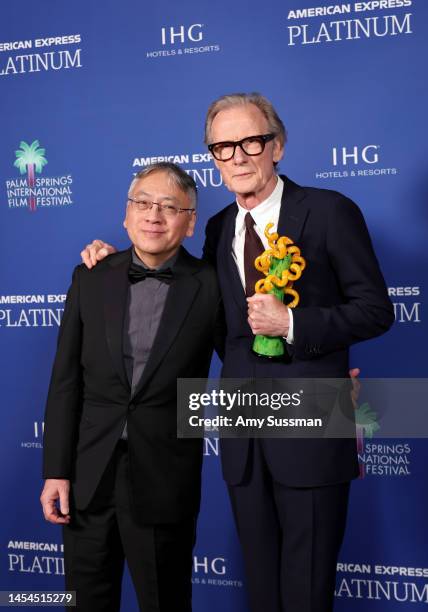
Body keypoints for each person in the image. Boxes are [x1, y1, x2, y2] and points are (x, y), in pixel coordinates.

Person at [81, 93, 394, 612]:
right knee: (261, 587)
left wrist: (293, 323)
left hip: (313, 423)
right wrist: (119, 264)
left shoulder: (330, 211)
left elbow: (375, 310)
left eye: (251, 141)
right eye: (223, 147)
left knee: (306, 587)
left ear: (278, 146)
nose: (238, 156)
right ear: (213, 156)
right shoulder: (218, 226)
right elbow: (197, 309)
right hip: (243, 432)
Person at [40, 162, 222, 612]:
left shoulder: (212, 286)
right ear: (126, 215)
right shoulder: (90, 277)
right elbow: (65, 381)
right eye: (142, 203)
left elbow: (251, 360)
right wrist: (56, 471)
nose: (153, 215)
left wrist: (330, 398)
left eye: (169, 207)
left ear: (190, 221)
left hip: (165, 479)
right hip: (88, 476)